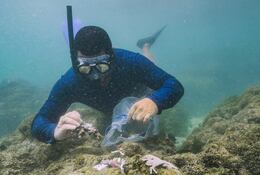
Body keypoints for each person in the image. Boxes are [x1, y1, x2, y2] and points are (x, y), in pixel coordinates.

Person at [31, 25, 184, 144]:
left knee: (149, 63)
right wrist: (54, 132)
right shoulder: (70, 81)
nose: (96, 75)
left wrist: (155, 101)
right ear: (76, 62)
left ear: (111, 57)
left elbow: (173, 85)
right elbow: (40, 121)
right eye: (86, 67)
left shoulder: (129, 61)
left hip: (141, 92)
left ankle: (145, 46)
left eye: (101, 66)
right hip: (112, 111)